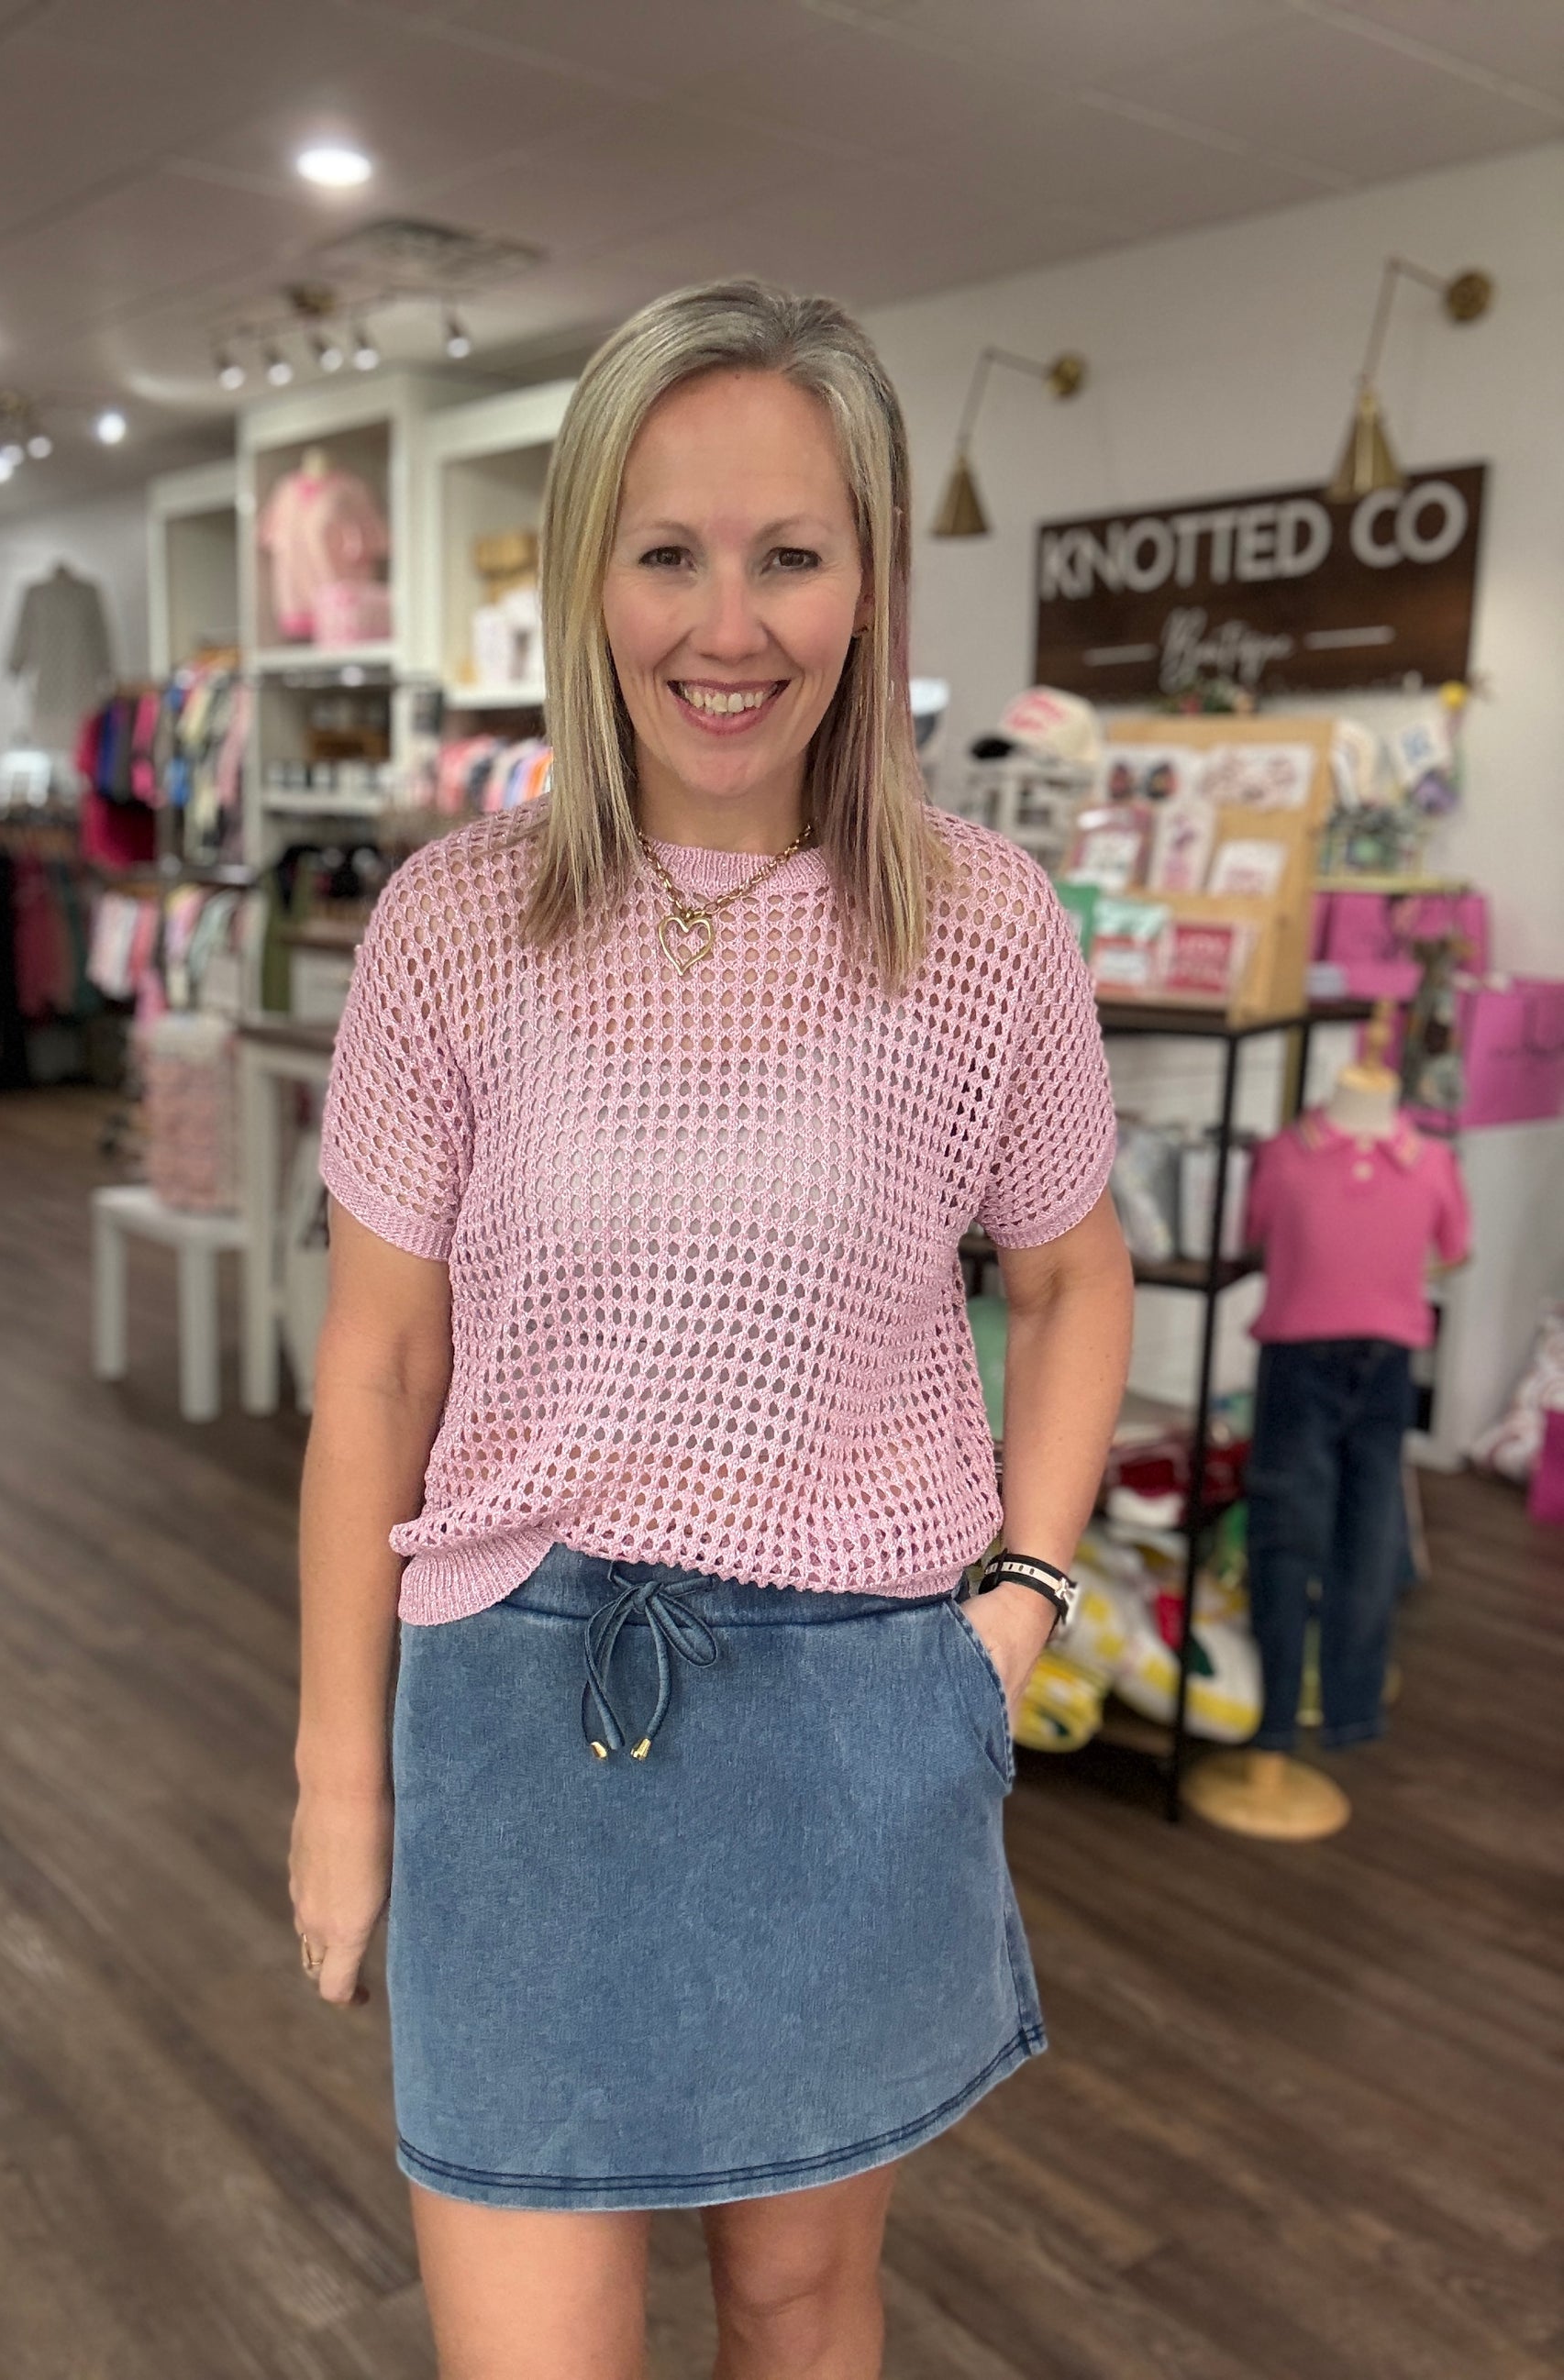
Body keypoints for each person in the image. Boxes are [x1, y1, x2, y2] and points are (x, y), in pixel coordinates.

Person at [290, 279, 1133, 2380]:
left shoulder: (979, 923)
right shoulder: (454, 922)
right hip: (518, 1714)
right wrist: (336, 1774)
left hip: (855, 1706)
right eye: (667, 551)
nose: (727, 625)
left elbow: (1071, 1274)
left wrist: (1018, 1606)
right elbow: (376, 1370)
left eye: (790, 554)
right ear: (589, 571)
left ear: (870, 577)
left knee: (799, 2298)